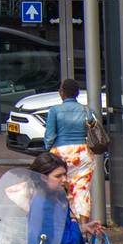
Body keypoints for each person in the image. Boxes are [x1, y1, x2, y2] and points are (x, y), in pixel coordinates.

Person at [44, 79, 98, 225]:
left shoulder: (54, 110)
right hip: (83, 153)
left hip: (61, 153)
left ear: (62, 93)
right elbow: (94, 126)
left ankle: (66, 223)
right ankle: (83, 227)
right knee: (82, 189)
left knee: (60, 189)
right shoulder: (86, 110)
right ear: (77, 94)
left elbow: (50, 136)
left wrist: (47, 150)